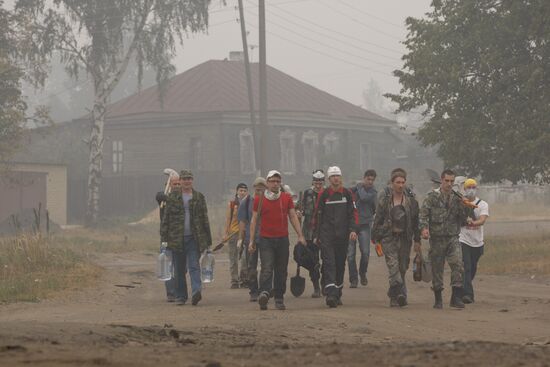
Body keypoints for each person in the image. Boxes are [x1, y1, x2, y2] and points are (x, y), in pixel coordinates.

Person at [249, 170, 306, 311]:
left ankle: (279, 298)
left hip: (282, 239)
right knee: (267, 268)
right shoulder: (259, 199)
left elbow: (292, 217)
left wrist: (300, 235)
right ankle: (265, 293)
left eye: (277, 181)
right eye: (272, 181)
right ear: (267, 183)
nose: (275, 184)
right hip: (265, 239)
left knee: (281, 270)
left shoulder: (286, 198)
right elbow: (254, 220)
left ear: (280, 183)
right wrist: (251, 240)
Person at [160, 169, 212, 306]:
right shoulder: (172, 198)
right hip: (176, 239)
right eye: (184, 179)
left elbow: (204, 219)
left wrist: (208, 240)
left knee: (194, 265)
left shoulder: (199, 197)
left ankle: (196, 292)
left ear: (192, 180)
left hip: (194, 238)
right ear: (180, 181)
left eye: (189, 179)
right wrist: (164, 239)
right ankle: (181, 296)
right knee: (179, 269)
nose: (187, 181)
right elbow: (166, 219)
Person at [420, 169, 469, 309]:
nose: (449, 184)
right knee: (437, 268)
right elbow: (423, 215)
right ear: (441, 180)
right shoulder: (432, 197)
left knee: (458, 264)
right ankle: (438, 298)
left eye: (452, 181)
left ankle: (456, 297)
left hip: (453, 237)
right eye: (446, 181)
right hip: (437, 238)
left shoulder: (457, 197)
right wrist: (424, 228)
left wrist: (465, 205)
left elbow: (464, 218)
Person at [372, 169, 420, 307]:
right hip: (389, 238)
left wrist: (417, 240)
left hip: (405, 238)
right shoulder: (385, 201)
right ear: (392, 183)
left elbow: (416, 221)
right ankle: (400, 294)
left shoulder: (411, 202)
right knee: (393, 266)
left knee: (402, 267)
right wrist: (375, 237)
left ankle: (393, 294)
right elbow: (378, 219)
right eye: (398, 182)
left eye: (403, 182)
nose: (400, 185)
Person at [313, 166, 358, 308]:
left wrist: (353, 230)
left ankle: (338, 293)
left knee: (340, 264)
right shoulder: (324, 195)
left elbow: (353, 214)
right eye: (333, 176)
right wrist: (316, 234)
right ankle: (331, 294)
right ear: (329, 179)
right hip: (327, 235)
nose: (336, 178)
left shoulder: (347, 194)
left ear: (341, 177)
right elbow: (317, 215)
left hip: (343, 235)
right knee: (329, 263)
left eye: (337, 175)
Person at [237, 177, 267, 302]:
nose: (259, 190)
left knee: (267, 266)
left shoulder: (268, 200)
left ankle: (264, 290)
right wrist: (240, 238)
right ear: (254, 188)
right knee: (251, 266)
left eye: (262, 188)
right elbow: (243, 221)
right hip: (251, 239)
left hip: (266, 238)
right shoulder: (247, 201)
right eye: (257, 188)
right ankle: (253, 291)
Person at [459, 178, 489, 304]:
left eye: (473, 187)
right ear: (464, 189)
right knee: (466, 267)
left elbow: (482, 220)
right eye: (468, 187)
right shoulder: (460, 203)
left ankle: (462, 287)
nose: (471, 190)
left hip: (478, 242)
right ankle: (468, 295)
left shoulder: (482, 204)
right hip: (463, 239)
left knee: (472, 268)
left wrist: (472, 222)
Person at [297, 169, 325, 298]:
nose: (318, 184)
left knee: (327, 261)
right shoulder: (306, 194)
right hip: (308, 233)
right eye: (316, 181)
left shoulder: (327, 194)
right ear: (313, 181)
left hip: (324, 233)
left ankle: (326, 284)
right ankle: (316, 287)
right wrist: (298, 213)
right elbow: (297, 209)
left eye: (320, 181)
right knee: (312, 260)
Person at [347, 169, 377, 288]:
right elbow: (347, 192)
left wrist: (359, 187)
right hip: (351, 226)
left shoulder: (373, 192)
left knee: (365, 253)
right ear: (364, 178)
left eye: (372, 180)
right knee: (350, 255)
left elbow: (364, 198)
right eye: (368, 179)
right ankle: (353, 279)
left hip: (365, 225)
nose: (370, 182)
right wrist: (354, 188)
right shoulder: (356, 188)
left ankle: (362, 272)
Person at [156, 172, 179, 302]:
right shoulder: (163, 198)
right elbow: (158, 195)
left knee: (180, 266)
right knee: (167, 266)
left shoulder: (182, 198)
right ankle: (171, 293)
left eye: (177, 184)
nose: (176, 186)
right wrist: (165, 197)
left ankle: (178, 289)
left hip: (180, 237)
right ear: (169, 185)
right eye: (173, 184)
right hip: (166, 237)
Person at [225, 183, 249, 289]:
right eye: (240, 190)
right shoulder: (232, 204)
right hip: (233, 234)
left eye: (244, 190)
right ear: (237, 191)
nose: (242, 192)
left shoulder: (250, 204)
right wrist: (226, 234)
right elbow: (228, 219)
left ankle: (244, 279)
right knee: (233, 259)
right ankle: (234, 280)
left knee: (245, 258)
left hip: (245, 234)